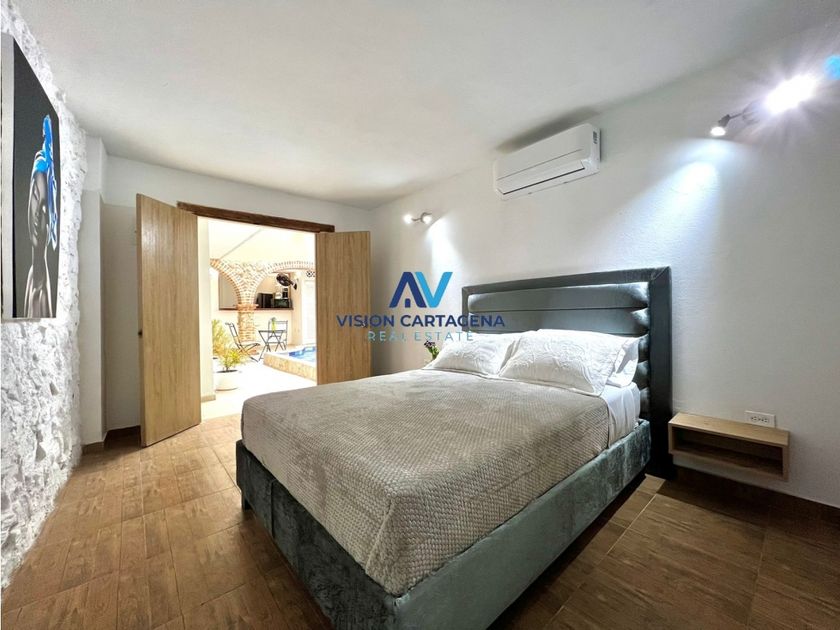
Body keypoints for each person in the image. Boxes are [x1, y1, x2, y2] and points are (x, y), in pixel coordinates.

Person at [23, 114, 58, 318]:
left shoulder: (42, 288)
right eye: (35, 197)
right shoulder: (33, 278)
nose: (37, 215)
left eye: (44, 207)